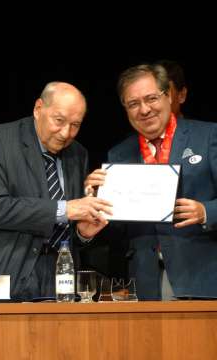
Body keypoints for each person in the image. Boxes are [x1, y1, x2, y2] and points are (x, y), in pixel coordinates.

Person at [0, 81, 112, 302]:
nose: (66, 133)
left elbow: (66, 228)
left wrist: (83, 232)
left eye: (75, 125)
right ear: (38, 108)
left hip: (55, 279)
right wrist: (67, 208)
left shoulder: (78, 153)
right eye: (59, 121)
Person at [85, 64, 217, 300]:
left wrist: (205, 211)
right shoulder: (119, 155)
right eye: (133, 103)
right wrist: (95, 202)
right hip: (145, 283)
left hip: (204, 276)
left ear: (169, 96)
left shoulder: (208, 136)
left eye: (151, 98)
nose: (144, 109)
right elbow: (118, 229)